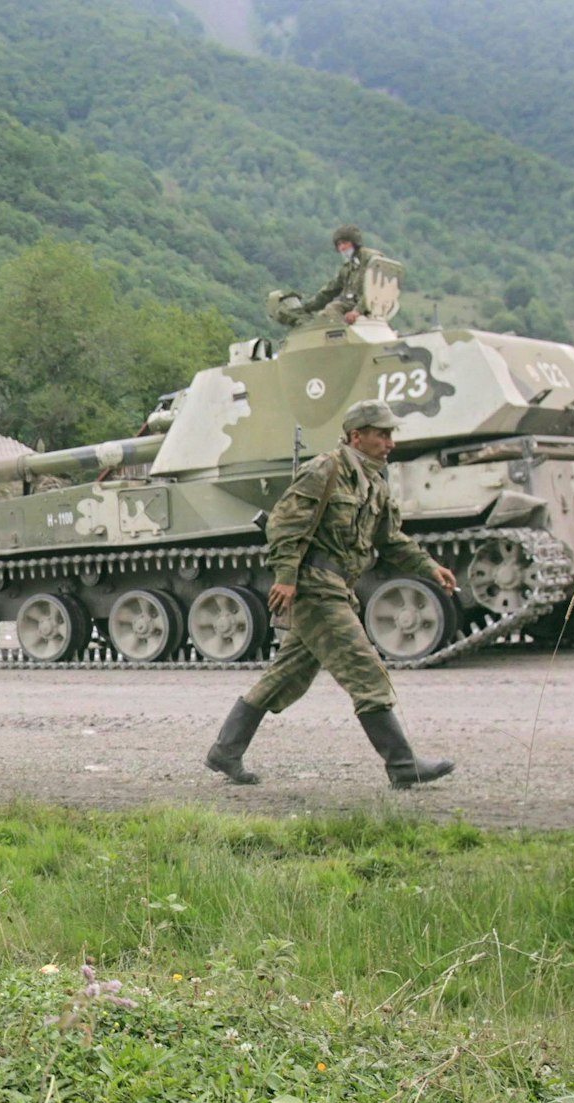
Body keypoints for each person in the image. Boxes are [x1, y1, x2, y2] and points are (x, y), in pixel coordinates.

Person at [203, 399, 459, 789]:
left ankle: (225, 751)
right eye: (382, 434)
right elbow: (285, 526)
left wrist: (429, 567)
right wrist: (286, 577)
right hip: (314, 589)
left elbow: (390, 541)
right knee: (365, 670)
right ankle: (403, 765)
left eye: (391, 435)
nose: (390, 442)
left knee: (284, 676)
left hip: (340, 588)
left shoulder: (375, 481)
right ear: (358, 435)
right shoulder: (326, 469)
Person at [300, 225, 379, 326]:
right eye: (339, 244)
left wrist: (358, 311)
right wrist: (306, 307)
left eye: (345, 243)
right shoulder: (347, 267)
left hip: (369, 306)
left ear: (355, 242)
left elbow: (377, 290)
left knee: (332, 310)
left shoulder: (372, 259)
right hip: (350, 305)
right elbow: (329, 291)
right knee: (325, 315)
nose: (342, 247)